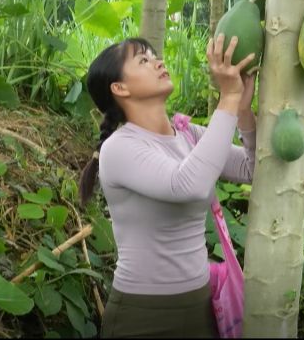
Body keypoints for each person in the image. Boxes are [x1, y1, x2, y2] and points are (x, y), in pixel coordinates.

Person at [78, 34, 258, 338]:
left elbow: (253, 168)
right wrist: (226, 99)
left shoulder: (188, 136)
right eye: (143, 61)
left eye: (154, 56)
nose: (158, 62)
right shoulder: (119, 148)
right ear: (119, 88)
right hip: (144, 316)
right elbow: (188, 185)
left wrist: (241, 110)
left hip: (201, 307)